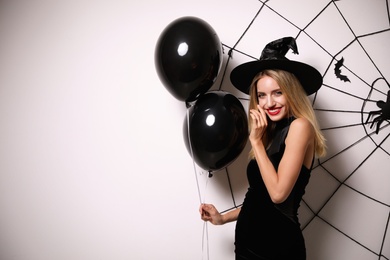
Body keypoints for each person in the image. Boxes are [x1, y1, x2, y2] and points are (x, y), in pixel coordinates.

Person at [199, 37, 327, 260]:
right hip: (247, 246)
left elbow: (278, 195)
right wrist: (222, 218)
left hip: (277, 249)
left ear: (292, 92)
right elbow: (259, 199)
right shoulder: (269, 132)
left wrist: (256, 142)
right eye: (261, 95)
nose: (269, 103)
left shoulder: (300, 127)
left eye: (278, 92)